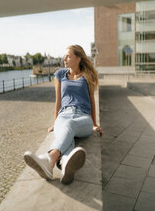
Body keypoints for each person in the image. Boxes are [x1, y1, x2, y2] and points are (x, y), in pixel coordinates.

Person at [24, 45, 103, 184]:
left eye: (68, 56)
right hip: (63, 115)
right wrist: (55, 123)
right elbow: (58, 100)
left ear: (78, 58)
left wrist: (95, 124)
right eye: (64, 56)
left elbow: (92, 100)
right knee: (67, 128)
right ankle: (65, 163)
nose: (64, 59)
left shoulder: (87, 76)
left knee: (69, 125)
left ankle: (49, 159)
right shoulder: (60, 75)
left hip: (83, 117)